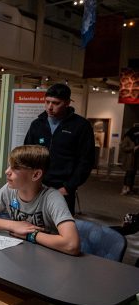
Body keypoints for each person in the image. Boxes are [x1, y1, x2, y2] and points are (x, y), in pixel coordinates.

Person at [0, 145, 80, 255]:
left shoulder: (52, 198)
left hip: (48, 258)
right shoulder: (8, 189)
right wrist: (13, 225)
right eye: (9, 166)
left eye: (15, 167)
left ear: (36, 175)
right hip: (21, 253)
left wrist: (30, 235)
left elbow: (72, 244)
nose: (7, 171)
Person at [24, 83, 95, 215]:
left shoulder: (81, 126)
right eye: (47, 102)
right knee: (32, 224)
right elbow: (26, 155)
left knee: (61, 228)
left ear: (67, 103)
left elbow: (86, 160)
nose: (50, 107)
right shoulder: (37, 124)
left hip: (62, 188)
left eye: (56, 103)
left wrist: (68, 187)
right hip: (36, 185)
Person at [119, 126, 139, 195]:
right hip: (129, 159)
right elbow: (123, 147)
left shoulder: (136, 139)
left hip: (135, 160)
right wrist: (133, 148)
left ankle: (129, 188)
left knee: (132, 174)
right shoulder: (127, 138)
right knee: (129, 174)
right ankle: (125, 188)